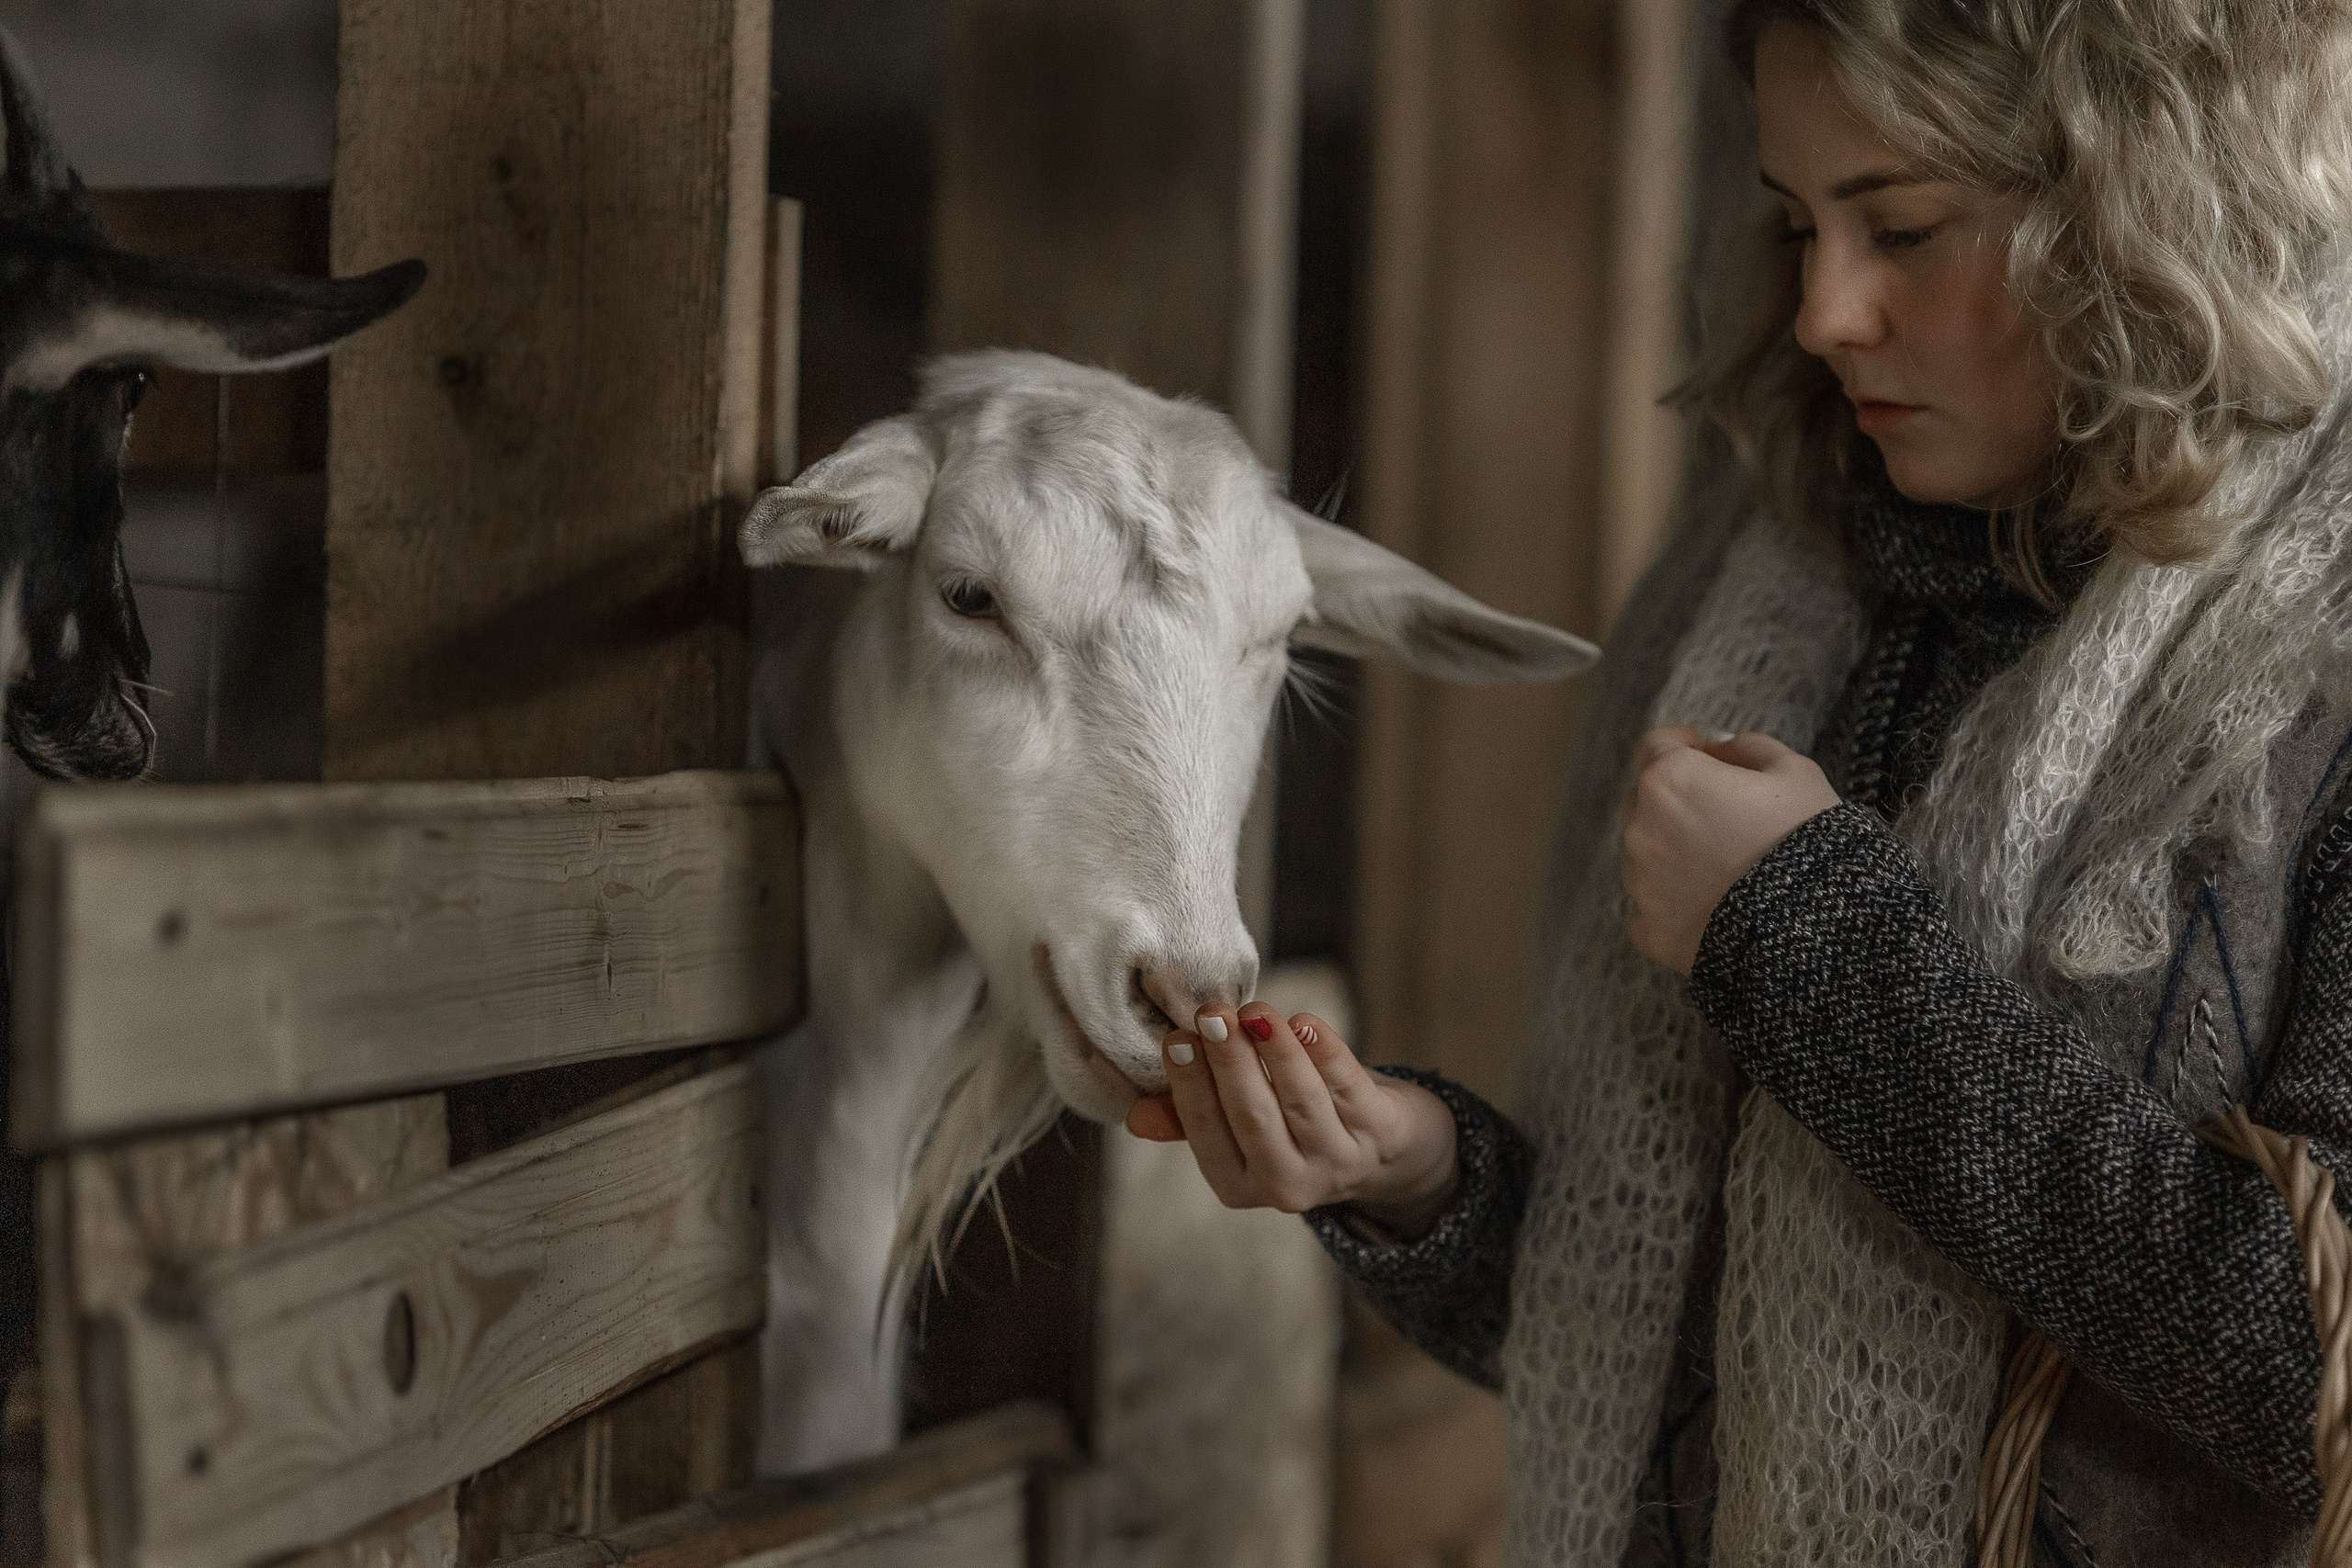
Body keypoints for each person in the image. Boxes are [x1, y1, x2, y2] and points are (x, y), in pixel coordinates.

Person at [1124, 2, 2352, 1563]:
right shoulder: (1766, 591)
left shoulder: (2317, 676)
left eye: (1902, 228)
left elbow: (2312, 1371)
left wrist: (1811, 943)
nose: (1825, 312)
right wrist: (1418, 1181)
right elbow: (1654, 1363)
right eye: (1794, 223)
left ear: (2143, 216)